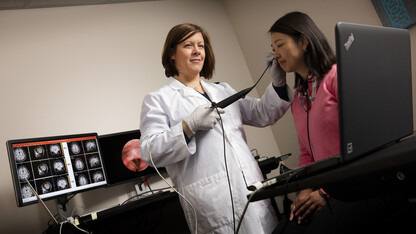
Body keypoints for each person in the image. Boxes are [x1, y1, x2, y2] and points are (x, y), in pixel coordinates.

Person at [139, 23, 293, 233]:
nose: (196, 51)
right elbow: (150, 151)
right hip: (213, 205)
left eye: (200, 46)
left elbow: (262, 113)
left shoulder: (222, 90)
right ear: (172, 54)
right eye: (188, 45)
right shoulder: (159, 100)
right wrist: (188, 126)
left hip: (253, 191)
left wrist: (278, 81)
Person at [268, 12, 411, 234]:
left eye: (279, 45)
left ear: (304, 41)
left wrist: (325, 193)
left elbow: (372, 138)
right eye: (273, 49)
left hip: (366, 183)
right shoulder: (298, 101)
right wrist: (305, 191)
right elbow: (306, 154)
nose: (276, 54)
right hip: (332, 188)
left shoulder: (337, 77)